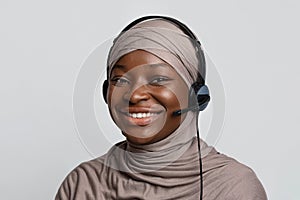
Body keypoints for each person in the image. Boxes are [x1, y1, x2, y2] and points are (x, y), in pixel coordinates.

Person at [55, 16, 267, 200]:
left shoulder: (233, 187)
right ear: (105, 92)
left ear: (195, 96)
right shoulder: (82, 184)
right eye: (120, 80)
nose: (135, 95)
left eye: (158, 79)